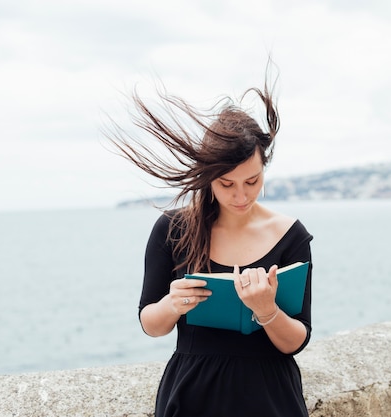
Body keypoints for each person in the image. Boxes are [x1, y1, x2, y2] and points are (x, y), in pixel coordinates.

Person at [108, 66, 313, 417]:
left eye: (252, 181)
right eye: (226, 184)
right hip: (192, 394)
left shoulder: (290, 234)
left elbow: (296, 340)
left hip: (271, 396)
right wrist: (172, 304)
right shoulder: (172, 229)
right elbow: (150, 324)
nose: (240, 195)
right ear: (208, 178)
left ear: (265, 167)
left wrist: (267, 310)